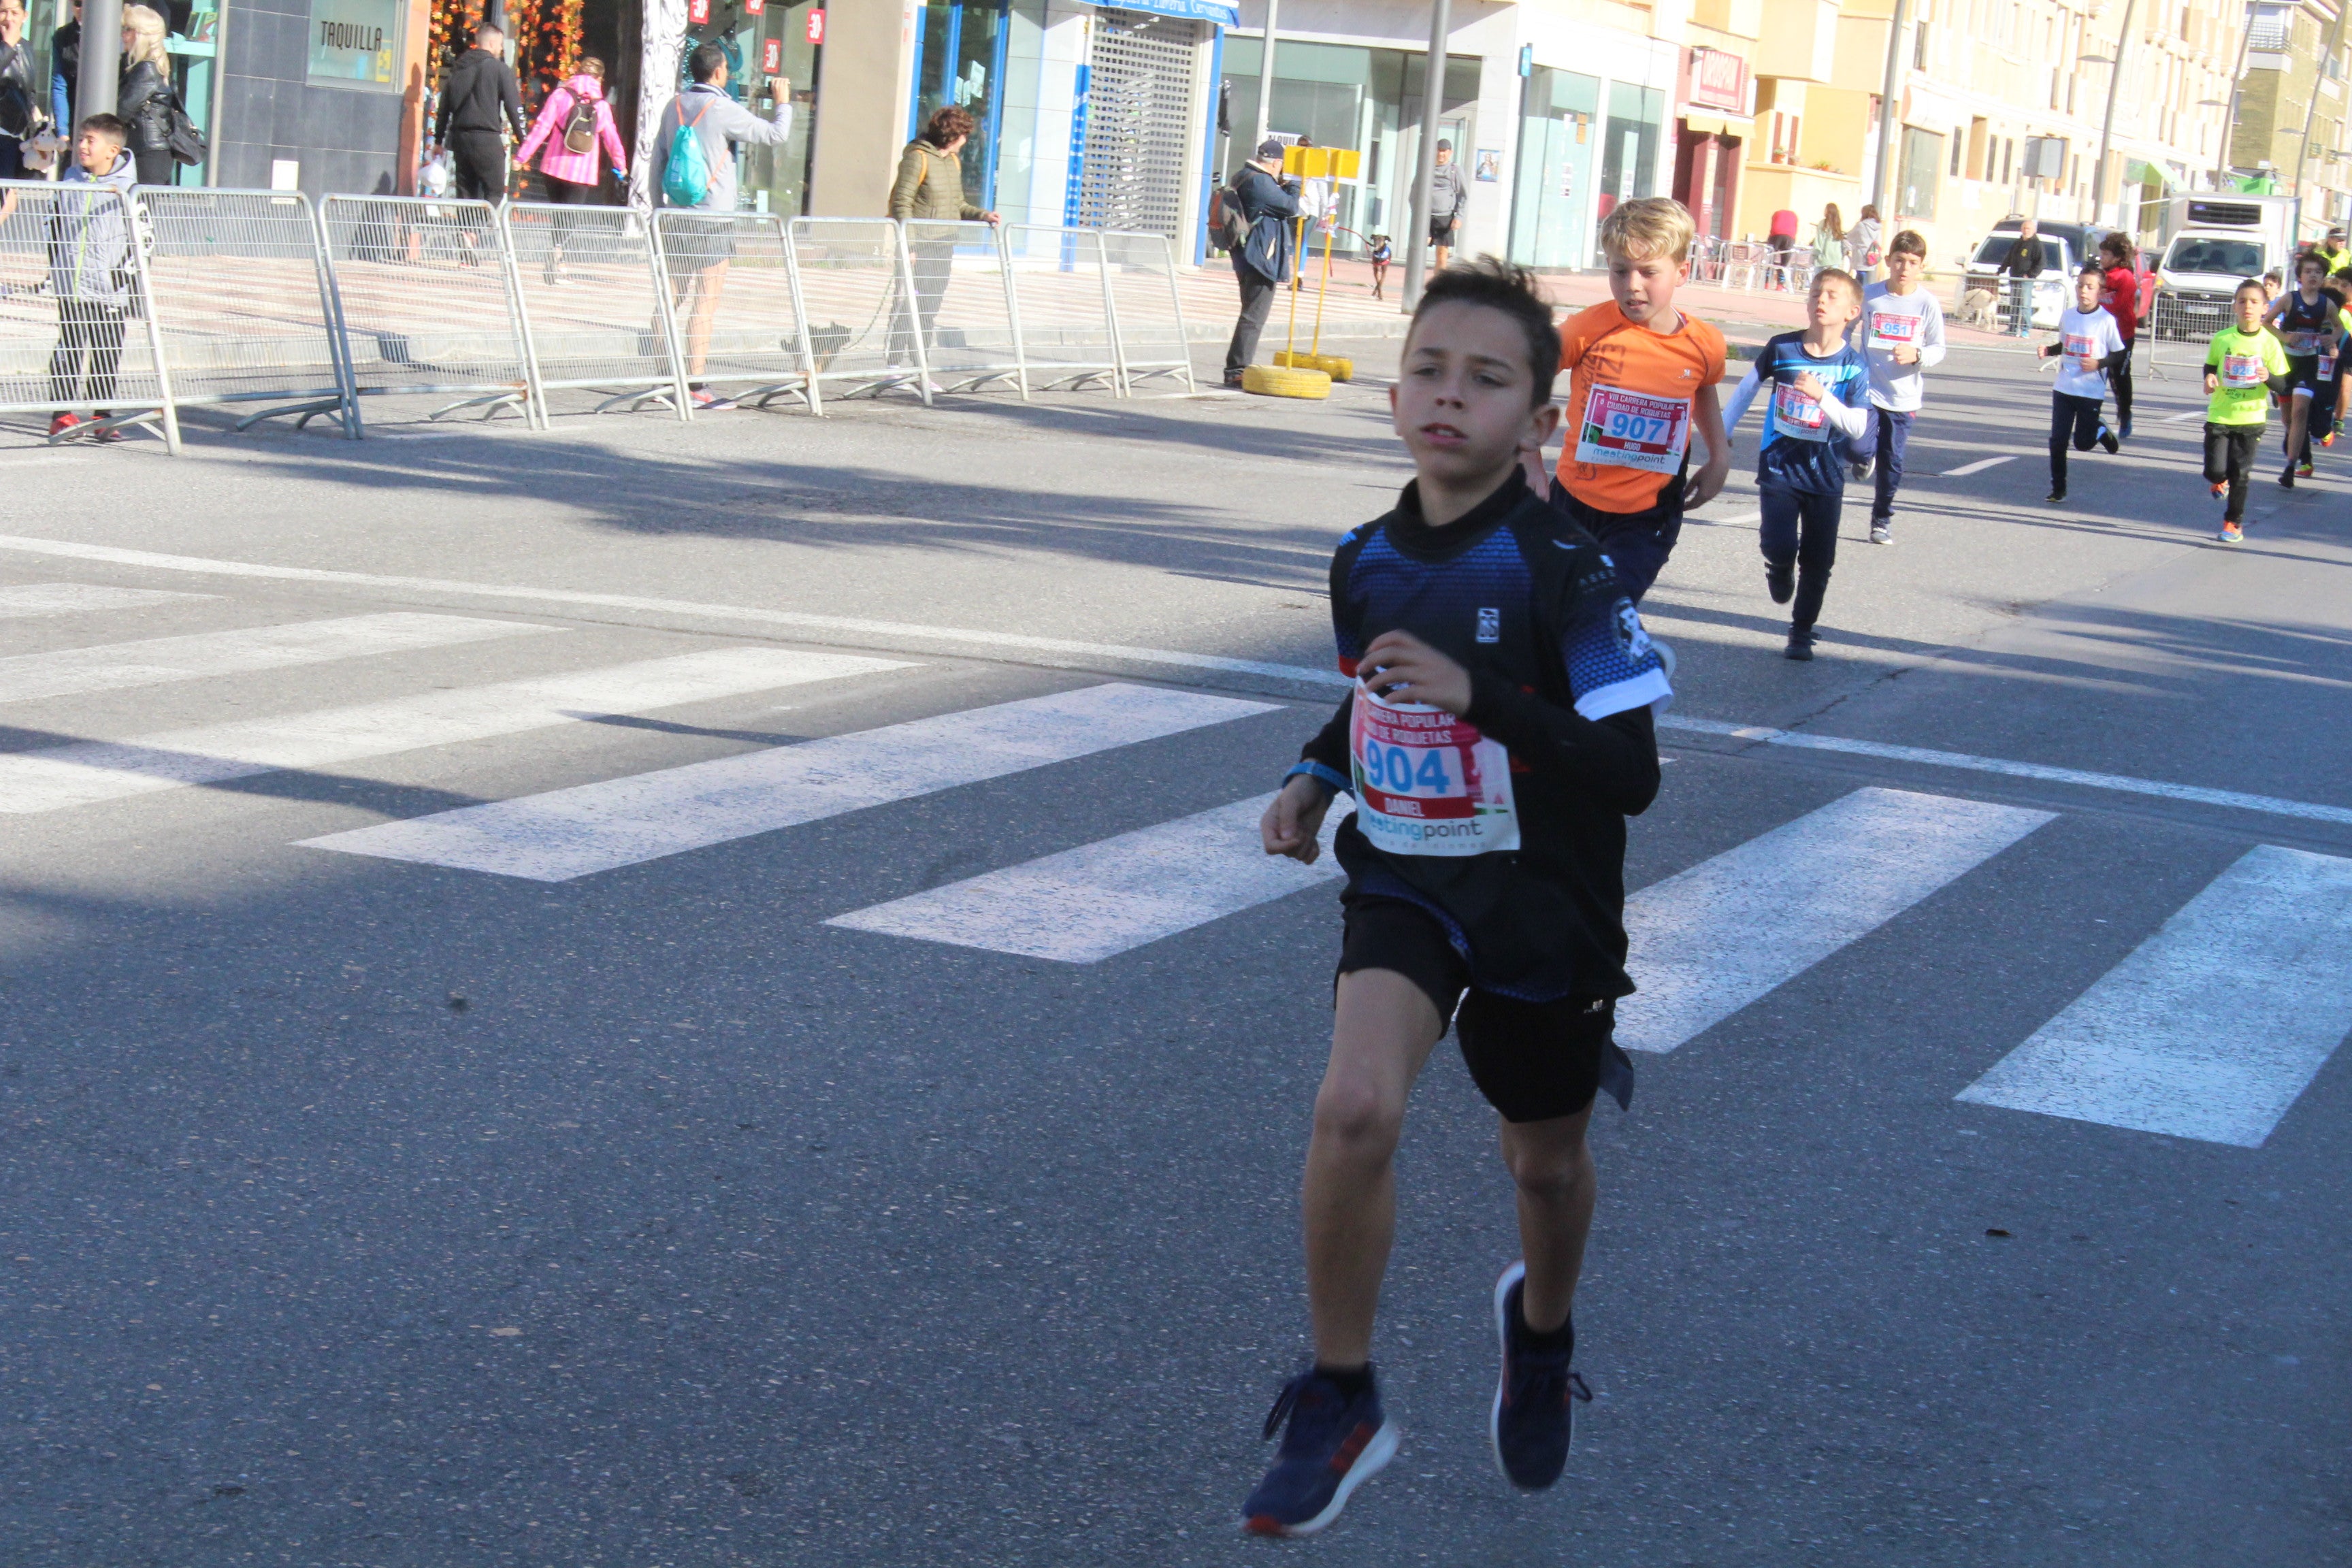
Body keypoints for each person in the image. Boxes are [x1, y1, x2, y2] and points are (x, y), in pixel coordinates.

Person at [1244, 257, 1669, 1537]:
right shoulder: (1363, 556)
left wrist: (1481, 695)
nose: (1449, 395)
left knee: (1543, 1163)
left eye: (1487, 379)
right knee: (1355, 1105)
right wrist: (1321, 770)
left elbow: (1631, 772)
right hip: (1412, 878)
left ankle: (1538, 1332)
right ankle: (1341, 1390)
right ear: (1394, 393)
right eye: (1428, 368)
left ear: (1539, 419)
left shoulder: (1574, 572)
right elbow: (1379, 679)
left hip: (1546, 902)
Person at [1548, 195, 1730, 602]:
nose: (1632, 285)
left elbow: (1702, 389)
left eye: (1649, 272)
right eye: (1619, 271)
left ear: (1682, 272)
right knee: (1553, 613)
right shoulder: (1587, 328)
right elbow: (1530, 374)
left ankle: (1617, 654)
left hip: (1649, 510)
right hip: (1574, 498)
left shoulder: (1705, 344)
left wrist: (1719, 457)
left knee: (1608, 604)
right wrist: (1523, 454)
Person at [1721, 270, 1870, 659]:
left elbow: (1857, 424)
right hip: (1779, 467)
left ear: (1852, 311)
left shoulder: (1853, 366)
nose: (1821, 300)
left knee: (1819, 561)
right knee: (1779, 542)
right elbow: (1746, 389)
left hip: (1825, 474)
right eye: (1816, 293)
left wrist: (1823, 396)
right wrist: (1724, 429)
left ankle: (1801, 633)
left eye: (1832, 296)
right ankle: (1779, 566)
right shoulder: (1782, 348)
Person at [648, 43, 793, 411]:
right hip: (714, 219)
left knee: (670, 296)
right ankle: (695, 385)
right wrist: (784, 102)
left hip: (676, 216)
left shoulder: (674, 106)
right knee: (705, 302)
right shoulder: (723, 108)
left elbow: (657, 162)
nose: (728, 74)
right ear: (717, 72)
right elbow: (776, 135)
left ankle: (664, 375)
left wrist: (657, 210)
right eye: (727, 69)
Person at [887, 103, 1000, 386]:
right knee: (911, 304)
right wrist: (908, 245)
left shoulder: (952, 162)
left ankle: (916, 366)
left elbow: (957, 204)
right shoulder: (917, 159)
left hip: (944, 243)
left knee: (929, 306)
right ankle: (899, 364)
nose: (966, 141)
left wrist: (982, 215)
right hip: (921, 244)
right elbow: (901, 202)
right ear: (952, 136)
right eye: (964, 135)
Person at [1846, 227, 1944, 545]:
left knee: (1894, 463)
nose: (1905, 268)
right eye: (1899, 260)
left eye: (1912, 262)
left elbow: (1938, 349)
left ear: (1921, 266)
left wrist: (1917, 354)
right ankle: (1864, 457)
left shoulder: (1927, 304)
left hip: (1903, 396)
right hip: (1868, 388)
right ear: (1888, 260)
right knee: (1857, 446)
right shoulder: (1870, 295)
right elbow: (1847, 328)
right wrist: (1842, 357)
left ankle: (1881, 520)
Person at [44, 114, 137, 443]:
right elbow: (53, 225)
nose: (81, 146)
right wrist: (56, 266)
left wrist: (119, 278)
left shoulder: (130, 189)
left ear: (112, 150)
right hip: (71, 286)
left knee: (106, 352)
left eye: (90, 140)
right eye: (81, 138)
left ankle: (102, 417)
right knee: (68, 349)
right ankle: (62, 416)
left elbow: (141, 242)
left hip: (111, 291)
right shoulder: (69, 181)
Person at [513, 55, 628, 284]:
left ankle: (558, 260)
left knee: (558, 213)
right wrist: (621, 166)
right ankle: (558, 260)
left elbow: (542, 128)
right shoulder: (602, 106)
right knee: (569, 218)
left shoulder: (560, 95)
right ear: (600, 79)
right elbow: (612, 139)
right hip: (582, 172)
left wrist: (521, 156)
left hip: (553, 166)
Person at [2203, 278, 2292, 544]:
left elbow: (2284, 383)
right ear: (2235, 307)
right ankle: (2219, 480)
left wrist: (2268, 378)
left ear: (2266, 308)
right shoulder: (2222, 339)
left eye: (2254, 302)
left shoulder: (2269, 343)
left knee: (2241, 474)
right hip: (2220, 413)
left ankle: (2233, 523)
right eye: (2242, 301)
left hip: (2251, 418)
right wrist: (2208, 379)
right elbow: (2210, 366)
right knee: (2215, 470)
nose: (2248, 307)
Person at [2038, 263, 2125, 505]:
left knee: (2083, 444)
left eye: (2090, 287)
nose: (2083, 291)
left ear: (2100, 292)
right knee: (2057, 440)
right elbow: (2065, 345)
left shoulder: (2105, 320)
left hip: (2090, 391)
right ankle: (2058, 489)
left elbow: (2119, 354)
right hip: (2065, 387)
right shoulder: (2068, 316)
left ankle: (2100, 429)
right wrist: (2048, 350)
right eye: (2080, 285)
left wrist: (2099, 363)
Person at [1221, 137, 1301, 388]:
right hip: (1259, 256)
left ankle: (1237, 367)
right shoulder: (1261, 181)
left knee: (1250, 312)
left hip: (1246, 253)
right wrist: (1294, 188)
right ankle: (1237, 369)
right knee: (1254, 315)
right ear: (1276, 163)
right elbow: (1290, 207)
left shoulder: (1242, 176)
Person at [2263, 248, 2335, 487]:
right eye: (2308, 271)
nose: (2313, 276)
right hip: (2286, 363)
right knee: (2288, 419)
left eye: (2318, 272)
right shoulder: (2289, 299)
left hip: (2308, 364)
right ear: (2300, 276)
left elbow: (2340, 328)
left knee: (2300, 411)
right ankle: (2298, 449)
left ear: (2323, 278)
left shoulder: (2326, 304)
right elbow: (2267, 323)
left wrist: (2330, 338)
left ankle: (2290, 467)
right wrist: (2284, 337)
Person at [434, 22, 526, 204]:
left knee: (466, 192)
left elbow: (443, 109)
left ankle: (468, 232)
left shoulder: (458, 70)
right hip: (487, 139)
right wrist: (524, 143)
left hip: (461, 139)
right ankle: (482, 230)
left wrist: (438, 140)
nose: (501, 49)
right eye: (500, 44)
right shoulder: (500, 70)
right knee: (495, 191)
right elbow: (514, 108)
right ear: (492, 44)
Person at [115, 4, 178, 186]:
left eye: (127, 29)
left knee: (140, 208)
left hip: (148, 152)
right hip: (148, 151)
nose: (123, 35)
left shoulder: (146, 69)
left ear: (140, 34)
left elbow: (122, 111)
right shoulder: (140, 66)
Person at [2095, 232, 2140, 441]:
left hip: (2122, 334)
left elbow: (2119, 306)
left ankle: (2125, 413)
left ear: (2116, 257)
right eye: (2101, 254)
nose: (2101, 258)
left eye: (2105, 254)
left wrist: (2098, 306)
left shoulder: (2125, 277)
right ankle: (2091, 416)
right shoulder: (2099, 276)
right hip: (2099, 335)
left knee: (2119, 376)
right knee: (2095, 374)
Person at [1997, 219, 2045, 338]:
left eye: (2028, 229)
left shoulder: (2036, 244)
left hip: (2026, 280)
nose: (2026, 231)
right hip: (2014, 277)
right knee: (2014, 304)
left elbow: (2041, 263)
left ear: (2033, 230)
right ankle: (2013, 328)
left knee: (2024, 305)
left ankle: (2025, 329)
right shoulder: (2018, 243)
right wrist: (2000, 271)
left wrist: (2030, 275)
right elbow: (2009, 258)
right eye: (2024, 228)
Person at [1428, 139, 1466, 271]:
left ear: (1450, 153)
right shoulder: (1426, 167)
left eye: (1444, 151)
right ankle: (1416, 285)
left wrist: (1459, 217)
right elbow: (1415, 191)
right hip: (1425, 216)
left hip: (1444, 217)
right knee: (1419, 251)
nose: (1441, 154)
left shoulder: (1455, 170)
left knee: (1442, 255)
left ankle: (1439, 288)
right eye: (1438, 150)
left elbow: (1462, 194)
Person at [48, 0, 75, 136]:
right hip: (73, 115)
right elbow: (59, 85)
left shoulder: (110, 31)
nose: (82, 9)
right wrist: (63, 130)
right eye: (78, 3)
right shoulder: (63, 36)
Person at [1844, 203, 1882, 281]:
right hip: (1872, 255)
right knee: (1869, 280)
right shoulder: (1878, 226)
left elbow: (1850, 237)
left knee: (1860, 281)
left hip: (1861, 256)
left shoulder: (1861, 225)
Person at [1766, 206, 1798, 286]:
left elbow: (1773, 227)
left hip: (1776, 234)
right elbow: (1795, 228)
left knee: (1770, 259)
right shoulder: (1793, 216)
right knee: (1784, 263)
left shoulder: (1777, 214)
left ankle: (1766, 282)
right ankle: (1780, 284)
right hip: (1789, 237)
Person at [1809, 204, 1843, 272]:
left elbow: (1819, 241)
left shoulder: (1823, 223)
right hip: (1836, 258)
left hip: (1824, 257)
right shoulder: (1837, 224)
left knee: (1819, 279)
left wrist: (1814, 255)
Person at [1367, 233, 1391, 300]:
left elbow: (1384, 274)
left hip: (1384, 258)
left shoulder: (1387, 253)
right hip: (1377, 257)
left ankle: (1377, 289)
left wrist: (1378, 287)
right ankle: (1379, 289)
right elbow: (1375, 273)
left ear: (1384, 242)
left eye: (1380, 241)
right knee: (1375, 271)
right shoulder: (1375, 253)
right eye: (1376, 241)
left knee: (1384, 272)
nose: (1377, 242)